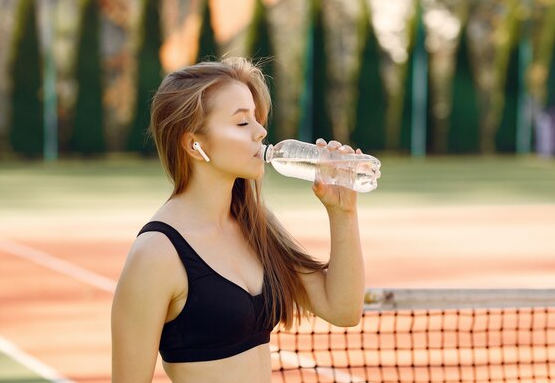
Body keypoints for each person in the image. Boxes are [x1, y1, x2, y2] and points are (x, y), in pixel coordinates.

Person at [111, 57, 366, 383]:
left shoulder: (255, 228)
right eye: (242, 123)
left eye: (257, 121)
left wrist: (342, 213)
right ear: (194, 144)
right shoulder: (157, 254)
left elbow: (342, 309)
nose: (260, 132)